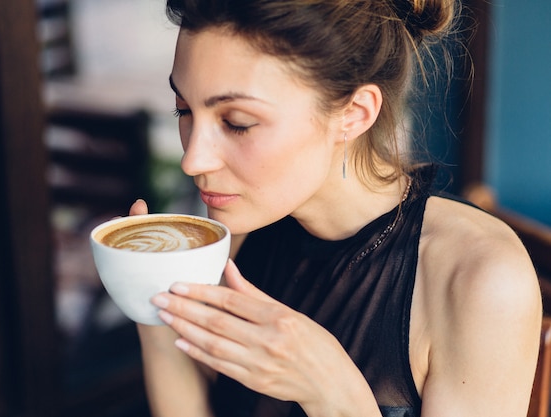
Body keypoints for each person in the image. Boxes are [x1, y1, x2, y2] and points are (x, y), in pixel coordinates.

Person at [129, 0, 542, 416]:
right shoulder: (241, 221)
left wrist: (334, 393)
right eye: (184, 109)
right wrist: (151, 305)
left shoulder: (481, 279)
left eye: (237, 122)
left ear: (353, 113)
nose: (193, 160)